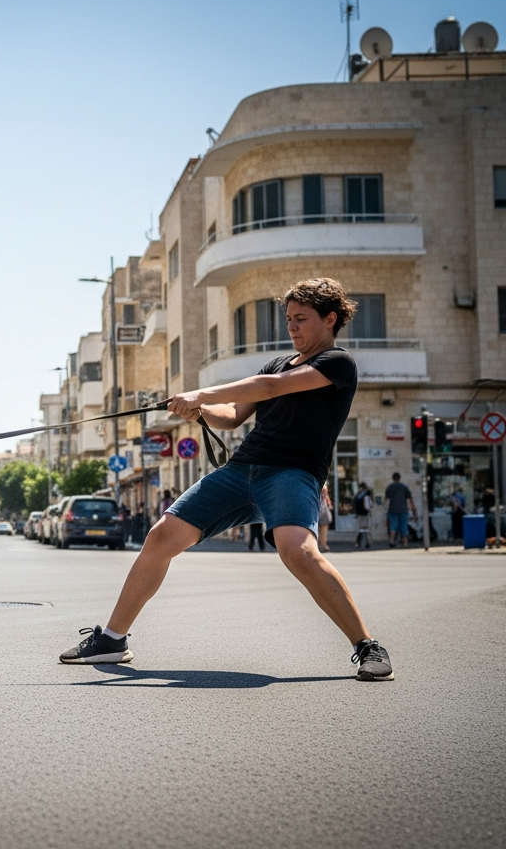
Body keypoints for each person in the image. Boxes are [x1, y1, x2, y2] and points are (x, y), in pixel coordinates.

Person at [59, 278, 393, 681]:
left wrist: (201, 394)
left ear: (330, 319)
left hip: (291, 474)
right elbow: (234, 415)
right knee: (161, 536)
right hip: (240, 470)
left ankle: (367, 645)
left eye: (301, 319)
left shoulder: (337, 363)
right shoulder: (274, 364)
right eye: (288, 319)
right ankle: (113, 639)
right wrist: (198, 411)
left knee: (299, 553)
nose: (292, 327)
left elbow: (272, 387)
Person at [384, 472, 416, 548]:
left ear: (393, 478)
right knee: (404, 526)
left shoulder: (390, 487)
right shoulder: (404, 487)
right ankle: (405, 543)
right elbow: (410, 499)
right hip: (403, 509)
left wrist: (385, 509)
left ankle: (392, 540)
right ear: (399, 478)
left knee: (393, 526)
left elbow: (386, 499)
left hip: (393, 509)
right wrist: (413, 509)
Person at [353, 483, 374, 549]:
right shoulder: (366, 494)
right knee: (365, 528)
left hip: (359, 513)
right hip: (365, 513)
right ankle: (363, 543)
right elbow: (368, 505)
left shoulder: (359, 495)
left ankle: (361, 542)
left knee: (361, 528)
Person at [318, 483, 333, 552]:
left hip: (320, 508)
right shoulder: (320, 485)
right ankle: (322, 544)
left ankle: (321, 544)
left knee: (321, 528)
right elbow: (324, 489)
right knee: (322, 527)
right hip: (320, 508)